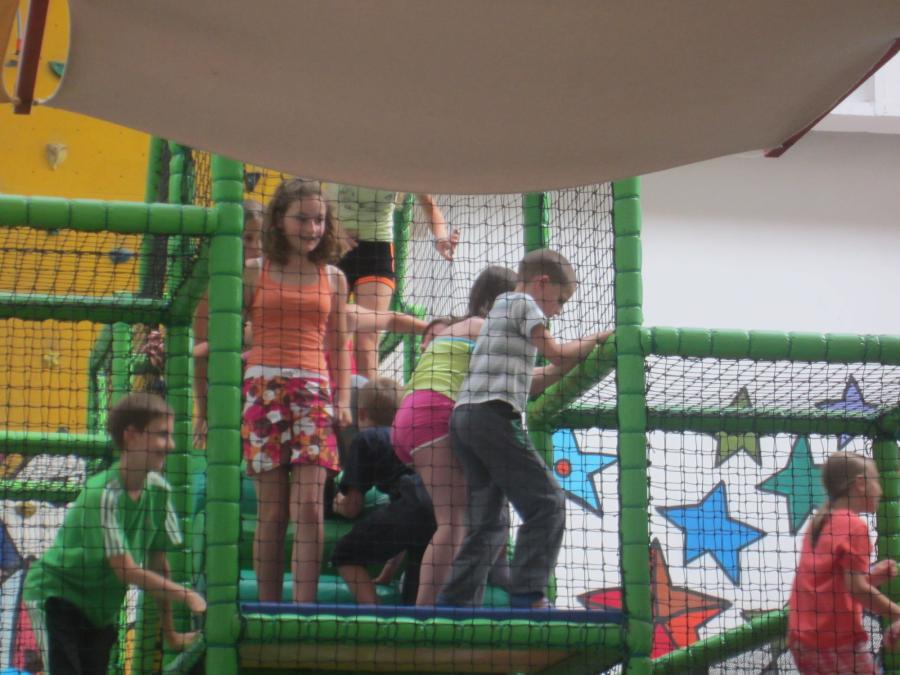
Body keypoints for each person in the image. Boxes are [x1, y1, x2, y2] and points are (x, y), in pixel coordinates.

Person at [436, 249, 612, 609]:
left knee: (489, 524)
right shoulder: (524, 303)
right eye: (560, 300)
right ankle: (528, 595)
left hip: (465, 418)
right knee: (548, 503)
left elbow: (535, 377)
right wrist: (599, 340)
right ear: (542, 282)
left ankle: (455, 605)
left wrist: (572, 364)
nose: (557, 311)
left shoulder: (500, 310)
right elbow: (556, 353)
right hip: (493, 417)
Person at [24, 393, 206, 674]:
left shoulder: (159, 492)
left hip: (99, 611)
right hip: (56, 597)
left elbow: (159, 564)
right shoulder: (102, 494)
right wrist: (186, 594)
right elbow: (125, 570)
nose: (170, 445)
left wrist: (170, 634)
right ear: (131, 436)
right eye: (161, 435)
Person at [241, 178, 352, 603]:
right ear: (279, 220)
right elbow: (217, 327)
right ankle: (268, 608)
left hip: (313, 390)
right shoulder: (254, 271)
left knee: (307, 506)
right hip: (263, 388)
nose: (312, 229)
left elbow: (338, 344)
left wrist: (343, 400)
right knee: (272, 510)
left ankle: (303, 608)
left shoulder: (333, 278)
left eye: (319, 220)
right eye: (302, 219)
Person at [391, 265, 517, 605]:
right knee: (453, 522)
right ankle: (426, 615)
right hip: (435, 414)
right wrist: (578, 352)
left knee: (464, 517)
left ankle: (447, 604)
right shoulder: (483, 328)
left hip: (410, 419)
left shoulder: (457, 329)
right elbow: (528, 377)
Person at [322, 183, 459, 382]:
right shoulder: (339, 165)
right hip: (335, 245)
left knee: (366, 345)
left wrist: (441, 238)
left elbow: (430, 207)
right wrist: (334, 228)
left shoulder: (398, 170)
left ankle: (367, 399)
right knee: (330, 334)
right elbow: (314, 195)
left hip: (377, 250)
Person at [788, 451, 900, 674]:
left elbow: (830, 583)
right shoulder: (854, 527)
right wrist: (897, 613)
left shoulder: (821, 521)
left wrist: (873, 577)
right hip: (833, 641)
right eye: (876, 481)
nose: (880, 490)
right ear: (861, 484)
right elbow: (857, 589)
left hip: (802, 639)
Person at [331, 377, 436, 605]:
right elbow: (405, 524)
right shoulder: (412, 437)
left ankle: (374, 614)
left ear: (361, 414)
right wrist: (387, 573)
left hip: (410, 508)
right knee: (413, 599)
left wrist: (336, 503)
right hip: (438, 513)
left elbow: (352, 507)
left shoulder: (366, 439)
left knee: (344, 554)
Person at [192, 199, 264, 449]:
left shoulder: (270, 277)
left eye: (262, 239)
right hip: (225, 379)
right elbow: (199, 352)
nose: (257, 247)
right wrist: (203, 412)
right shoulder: (210, 285)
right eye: (248, 238)